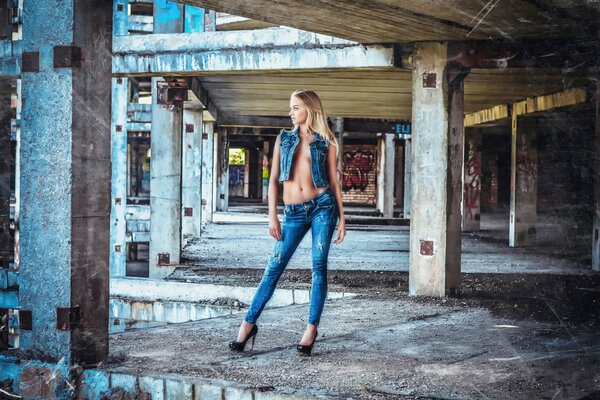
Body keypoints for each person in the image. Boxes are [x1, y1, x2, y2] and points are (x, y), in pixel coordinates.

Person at [229, 90, 346, 356]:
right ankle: (248, 324)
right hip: (292, 212)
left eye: (295, 108)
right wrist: (272, 215)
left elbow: (334, 182)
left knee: (318, 267)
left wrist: (343, 219)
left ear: (310, 109)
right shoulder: (284, 138)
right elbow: (272, 181)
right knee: (274, 267)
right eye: (290, 108)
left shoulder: (327, 142)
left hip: (323, 208)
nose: (290, 113)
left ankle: (311, 329)